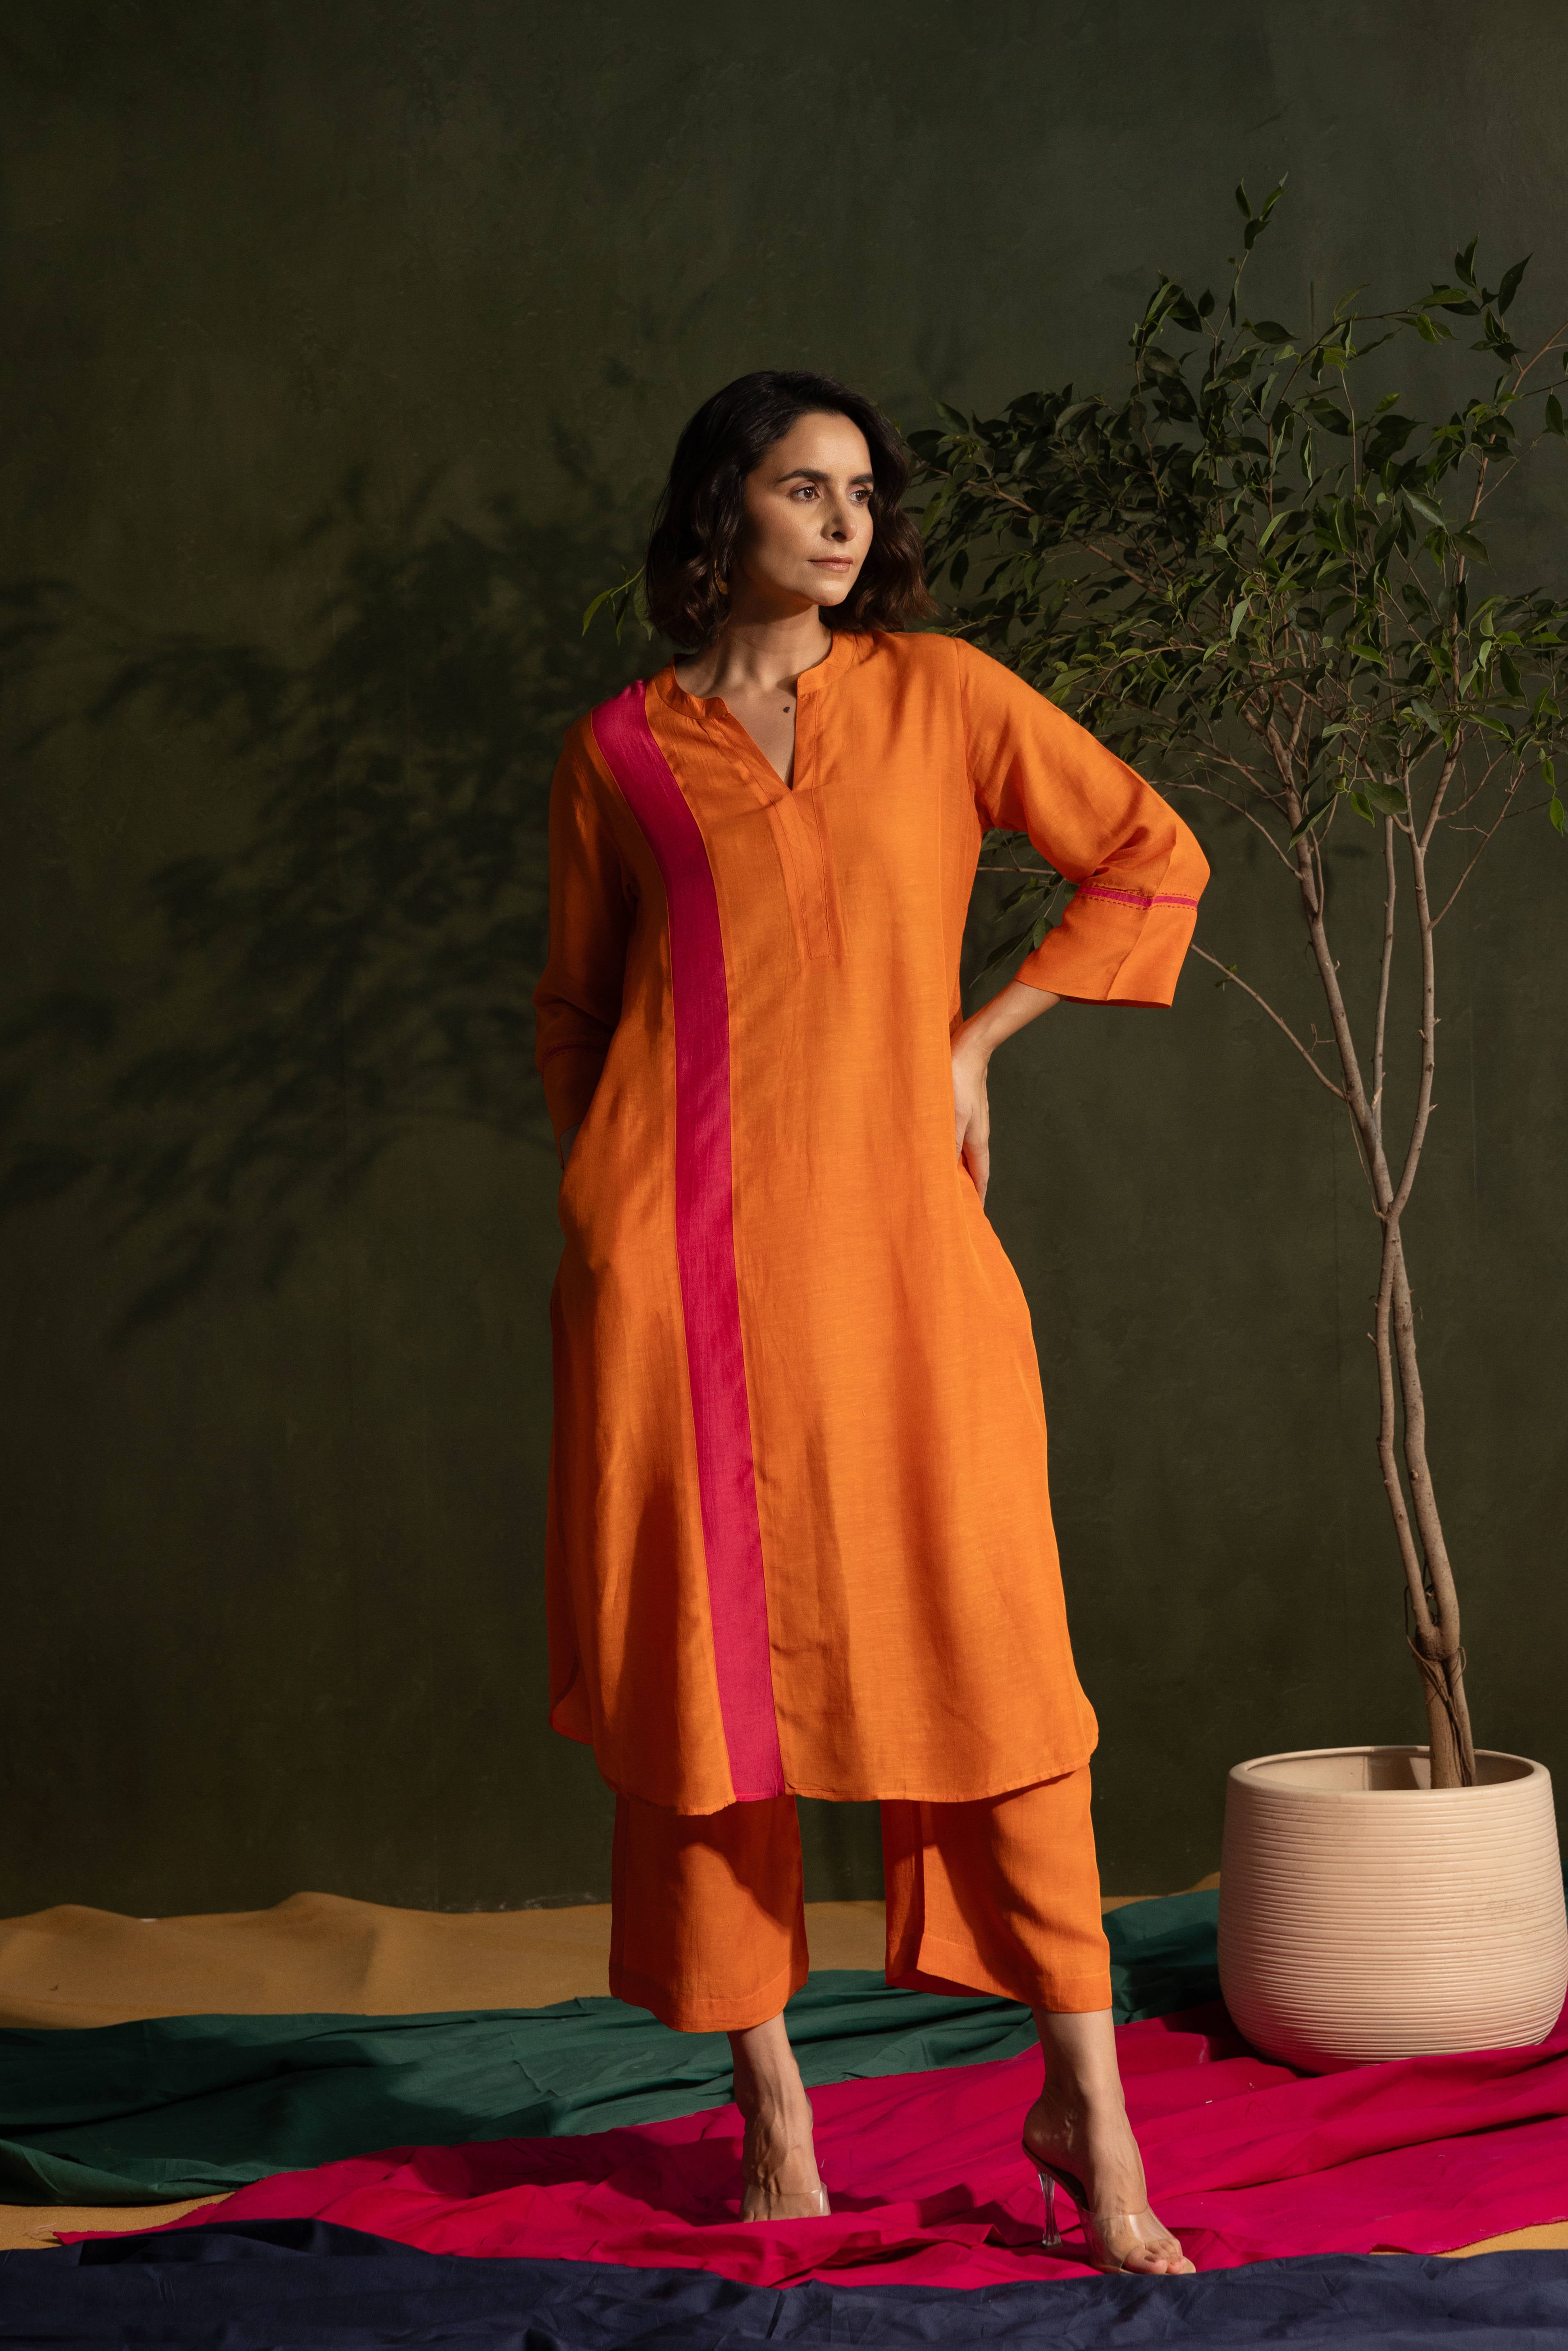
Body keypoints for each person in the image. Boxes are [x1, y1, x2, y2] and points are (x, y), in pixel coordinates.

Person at [533, 370, 1207, 2275]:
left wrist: (975, 1043)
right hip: (681, 1282)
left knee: (991, 1652)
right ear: (718, 512)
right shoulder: (621, 751)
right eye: (799, 487)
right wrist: (611, 1198)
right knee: (705, 1678)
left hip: (905, 1256)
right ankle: (772, 2105)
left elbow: (1144, 852)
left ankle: (1085, 2106)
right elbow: (575, 1006)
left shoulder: (940, 695)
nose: (842, 522)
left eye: (858, 492)